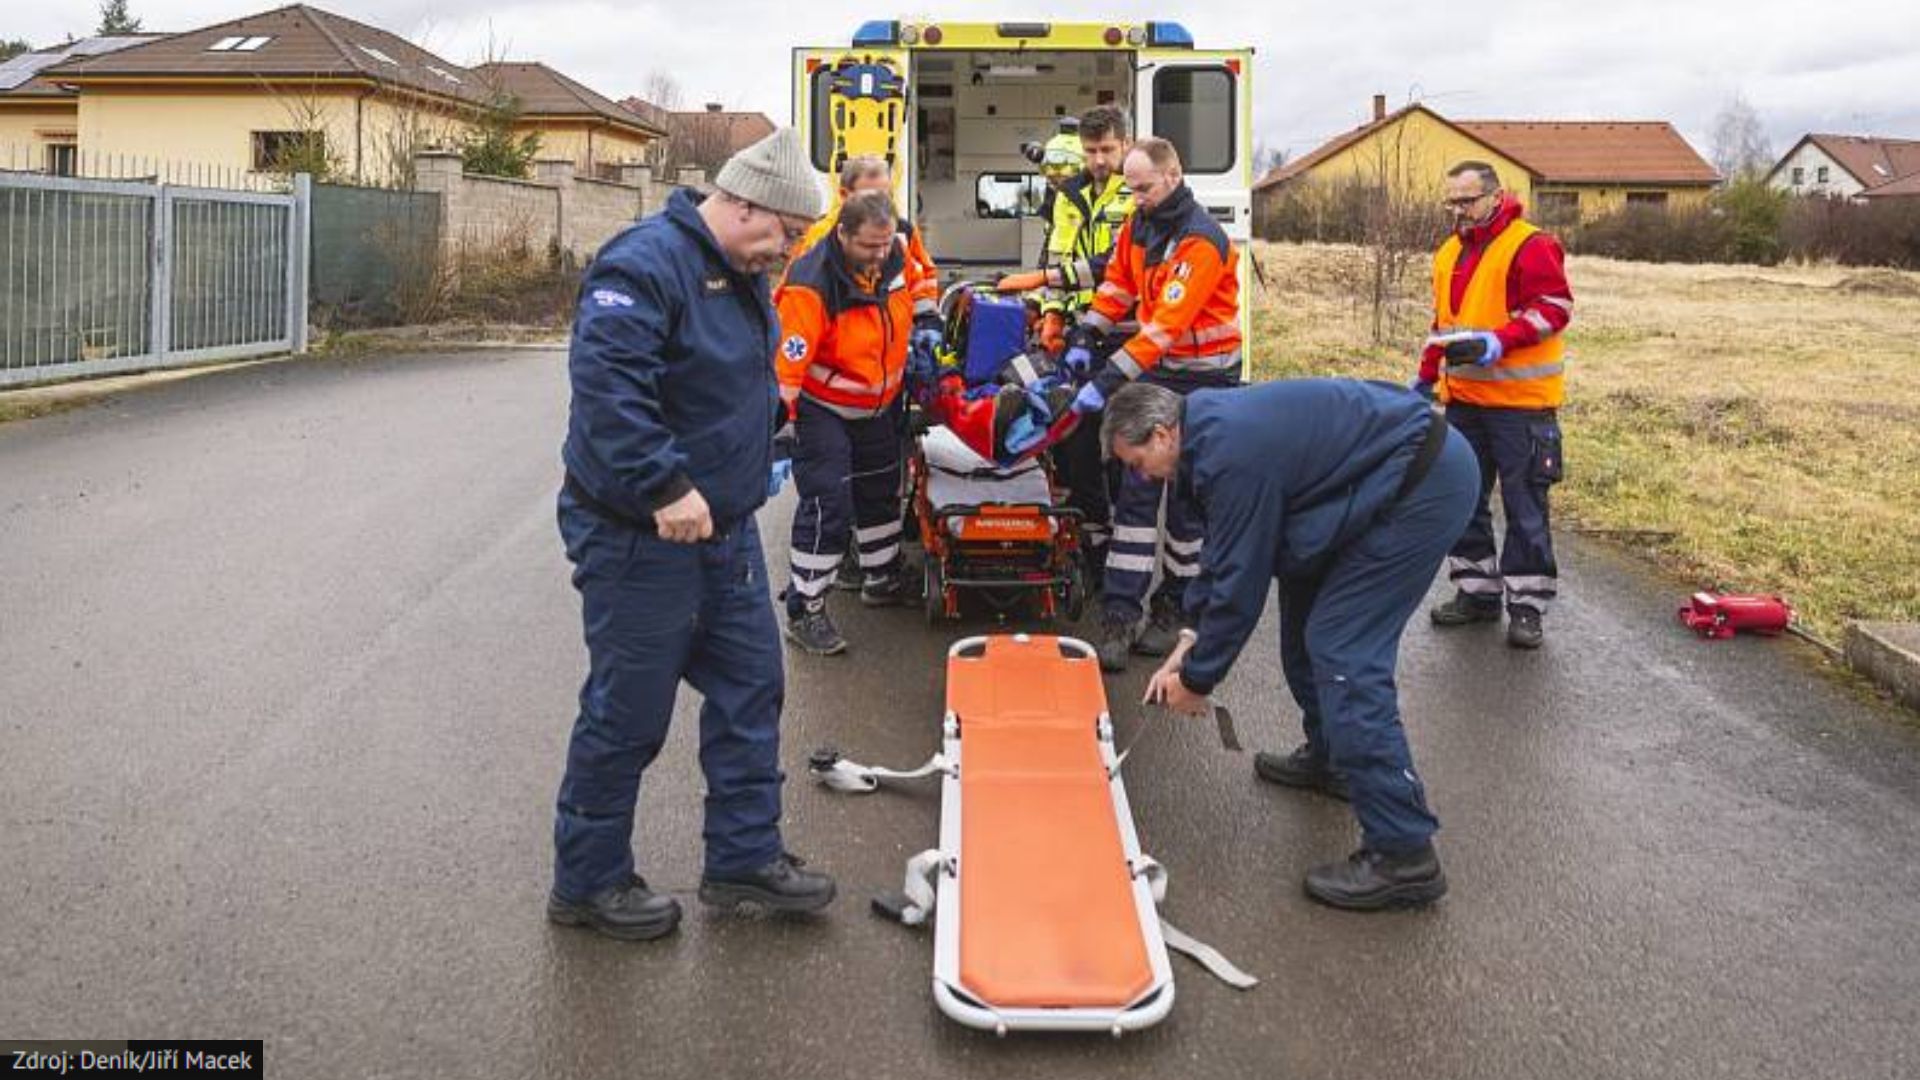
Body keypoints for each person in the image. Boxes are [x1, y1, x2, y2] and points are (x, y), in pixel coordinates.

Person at [547, 127, 837, 942]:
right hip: (641, 534)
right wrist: (665, 485)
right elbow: (609, 391)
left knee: (752, 689)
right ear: (744, 205)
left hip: (724, 532)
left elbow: (731, 380)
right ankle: (588, 883)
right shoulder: (643, 265)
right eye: (784, 233)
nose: (787, 252)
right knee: (628, 713)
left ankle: (743, 858)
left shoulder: (740, 274)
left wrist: (769, 437)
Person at [1107, 379, 1479, 911]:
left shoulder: (1229, 452)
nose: (1140, 476)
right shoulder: (1206, 441)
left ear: (1164, 434)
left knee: (1343, 652)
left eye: (1137, 462)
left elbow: (1242, 583)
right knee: (1303, 627)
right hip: (1365, 484)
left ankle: (1404, 852)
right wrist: (1189, 640)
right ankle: (1334, 761)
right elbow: (1225, 552)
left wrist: (1197, 679)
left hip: (1420, 485)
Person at [1067, 136, 1242, 673]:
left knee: (1187, 503)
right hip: (1160, 372)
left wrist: (1105, 380)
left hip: (1205, 381)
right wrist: (1088, 331)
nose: (1136, 197)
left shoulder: (1200, 240)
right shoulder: (1138, 225)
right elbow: (1118, 286)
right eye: (1132, 188)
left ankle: (1175, 607)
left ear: (1173, 176)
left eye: (1144, 188)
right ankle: (1120, 616)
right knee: (1137, 495)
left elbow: (1164, 327)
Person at [1416, 160, 1574, 649]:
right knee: (1462, 498)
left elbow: (1554, 309)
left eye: (1467, 200)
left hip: (1521, 406)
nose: (1459, 211)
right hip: (1465, 402)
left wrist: (1501, 340)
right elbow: (1444, 324)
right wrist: (1425, 378)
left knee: (1525, 507)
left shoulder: (1530, 244)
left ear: (1495, 196)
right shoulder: (1449, 252)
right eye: (1452, 202)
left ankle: (1526, 607)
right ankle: (1477, 593)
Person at [775, 189, 940, 655]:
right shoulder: (811, 283)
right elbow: (786, 371)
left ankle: (881, 576)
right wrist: (778, 434)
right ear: (843, 234)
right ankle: (805, 608)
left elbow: (918, 287)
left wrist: (928, 327)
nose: (879, 254)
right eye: (869, 246)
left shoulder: (894, 252)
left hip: (879, 405)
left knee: (881, 492)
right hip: (824, 408)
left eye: (885, 244)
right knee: (828, 505)